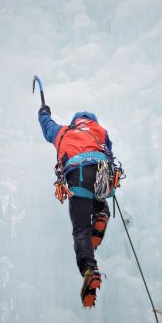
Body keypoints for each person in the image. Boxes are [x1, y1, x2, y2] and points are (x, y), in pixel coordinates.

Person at [38, 104, 113, 307]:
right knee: (100, 200)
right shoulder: (100, 131)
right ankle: (100, 214)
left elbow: (47, 127)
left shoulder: (64, 132)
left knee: (81, 229)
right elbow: (110, 153)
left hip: (78, 174)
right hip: (101, 172)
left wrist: (44, 113)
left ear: (75, 122)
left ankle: (90, 270)